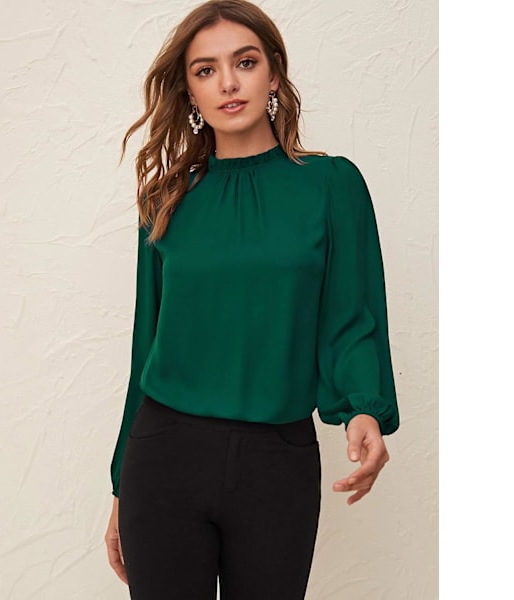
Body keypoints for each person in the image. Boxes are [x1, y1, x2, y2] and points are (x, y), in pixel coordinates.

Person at [104, 1, 399, 598]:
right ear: (189, 91)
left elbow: (351, 315)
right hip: (163, 458)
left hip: (277, 461)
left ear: (274, 75)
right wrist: (119, 487)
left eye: (245, 62)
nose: (228, 83)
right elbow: (147, 345)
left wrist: (363, 409)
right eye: (205, 70)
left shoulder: (330, 185)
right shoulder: (166, 199)